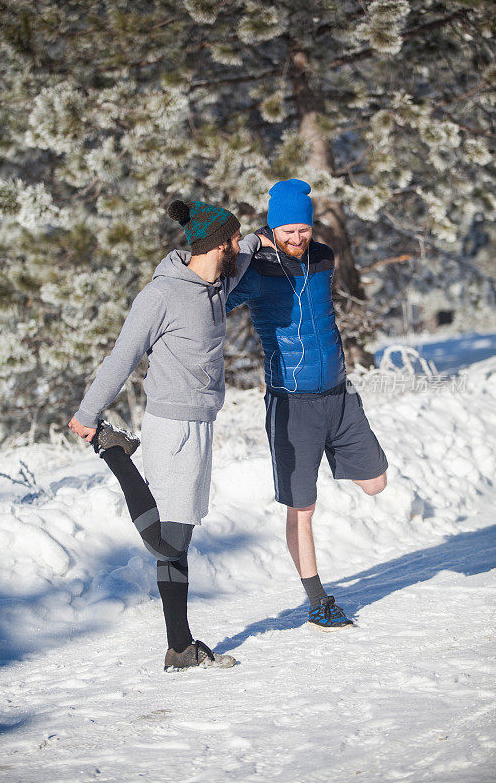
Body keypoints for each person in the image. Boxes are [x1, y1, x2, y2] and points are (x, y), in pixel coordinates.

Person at [69, 198, 259, 670]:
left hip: (202, 426)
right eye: (233, 239)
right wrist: (89, 413)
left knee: (180, 540)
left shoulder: (220, 280)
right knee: (165, 542)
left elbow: (254, 245)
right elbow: (122, 355)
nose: (240, 244)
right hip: (170, 425)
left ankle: (179, 648)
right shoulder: (161, 295)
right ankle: (114, 453)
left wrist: (277, 229)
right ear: (217, 245)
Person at [226, 179, 388, 630]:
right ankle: (317, 600)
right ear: (272, 229)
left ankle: (332, 457)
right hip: (291, 403)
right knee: (302, 509)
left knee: (375, 483)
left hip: (339, 395)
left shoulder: (323, 257)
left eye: (303, 229)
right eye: (286, 231)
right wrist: (250, 246)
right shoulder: (254, 269)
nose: (297, 239)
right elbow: (215, 296)